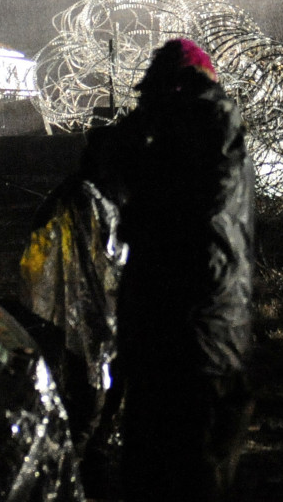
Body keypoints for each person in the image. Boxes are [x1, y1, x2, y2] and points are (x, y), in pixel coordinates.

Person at [89, 38, 255, 501]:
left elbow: (180, 216)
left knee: (187, 478)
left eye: (152, 95)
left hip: (196, 348)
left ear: (175, 87)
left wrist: (146, 132)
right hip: (178, 344)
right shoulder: (192, 127)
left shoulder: (210, 121)